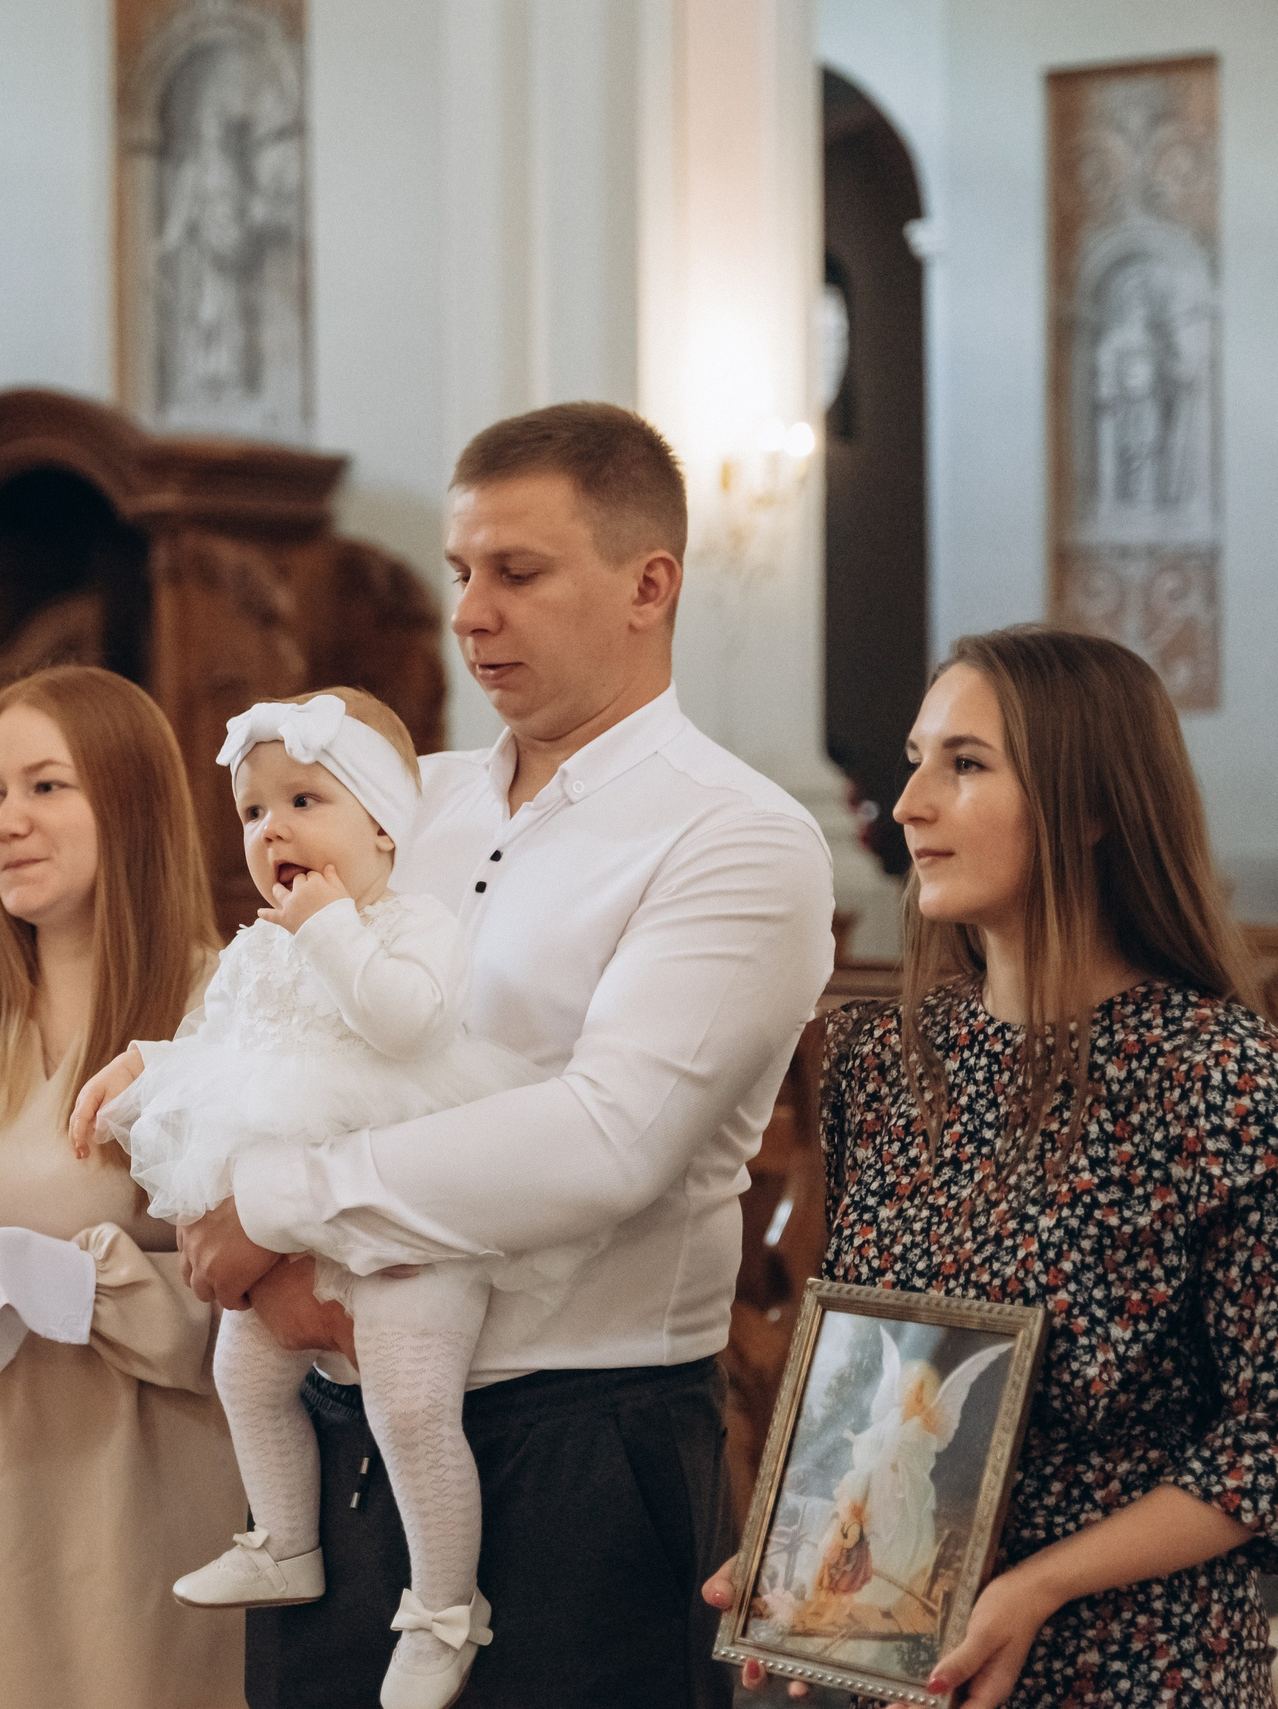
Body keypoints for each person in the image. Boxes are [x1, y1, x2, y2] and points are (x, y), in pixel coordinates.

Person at [183, 402, 839, 1707]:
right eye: (461, 573)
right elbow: (277, 1022)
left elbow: (605, 1140)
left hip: (579, 1447)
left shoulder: (737, 839)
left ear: (650, 584)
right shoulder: (402, 802)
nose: (471, 614)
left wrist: (272, 1207)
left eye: (518, 573)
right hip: (336, 1428)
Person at [705, 627, 1278, 1709]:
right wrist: (804, 1551)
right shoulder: (885, 1063)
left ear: (1089, 807)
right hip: (914, 1651)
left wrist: (1034, 1585)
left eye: (965, 763)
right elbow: (888, 1369)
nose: (909, 803)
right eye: (915, 757)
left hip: (1132, 1658)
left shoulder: (1220, 1079)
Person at [72, 686, 601, 1709]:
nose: (274, 828)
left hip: (405, 1207)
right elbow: (220, 1045)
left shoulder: (415, 925)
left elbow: (403, 1024)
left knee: (409, 1406)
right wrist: (141, 1064)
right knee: (242, 1371)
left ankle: (445, 1606)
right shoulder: (260, 944)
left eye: (306, 800)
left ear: (382, 825)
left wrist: (327, 931)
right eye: (254, 811)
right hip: (292, 1215)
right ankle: (285, 1538)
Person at [0, 665, 247, 1709]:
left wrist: (77, 1282)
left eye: (45, 786)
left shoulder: (220, 1005)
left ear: (128, 803)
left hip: (134, 1482)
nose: (7, 821)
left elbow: (257, 1285)